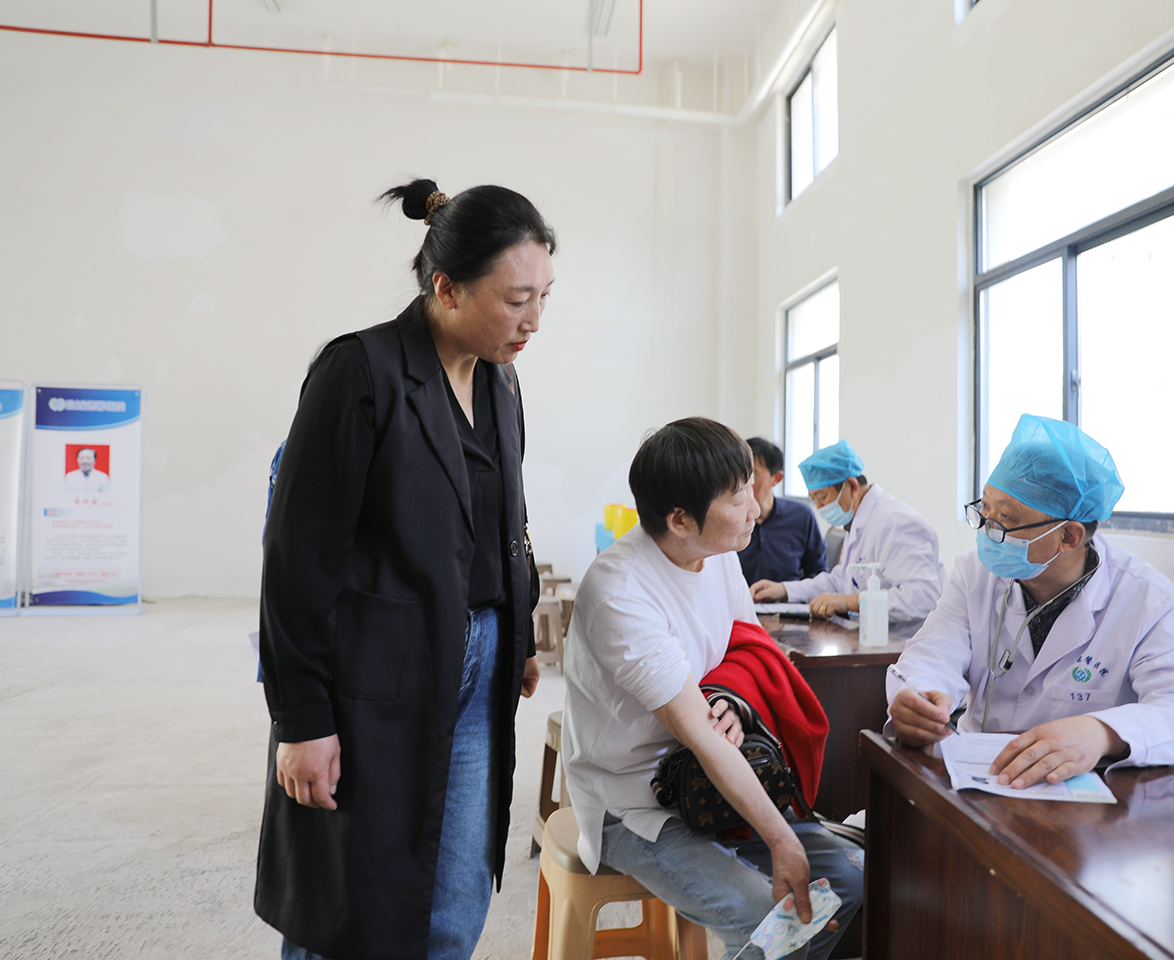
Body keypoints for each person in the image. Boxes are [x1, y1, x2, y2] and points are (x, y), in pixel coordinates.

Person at [256, 180, 555, 960]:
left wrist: (518, 633)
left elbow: (505, 519)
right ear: (445, 288)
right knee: (350, 901)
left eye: (543, 297)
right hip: (375, 668)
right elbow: (298, 559)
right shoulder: (360, 372)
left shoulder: (501, 379)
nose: (533, 320)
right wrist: (302, 720)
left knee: (454, 899)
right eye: (515, 299)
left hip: (478, 666)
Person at [562, 418, 863, 960]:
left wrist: (727, 696)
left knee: (849, 881)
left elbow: (745, 646)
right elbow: (699, 733)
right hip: (634, 800)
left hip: (711, 777)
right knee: (771, 920)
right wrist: (780, 839)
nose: (755, 508)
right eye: (737, 496)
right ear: (680, 519)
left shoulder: (719, 554)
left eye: (751, 487)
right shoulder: (619, 592)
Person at [888, 414, 1174, 789]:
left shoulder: (1151, 602)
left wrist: (1103, 732)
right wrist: (918, 697)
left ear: (1069, 536)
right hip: (975, 777)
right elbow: (932, 652)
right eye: (985, 509)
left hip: (1081, 798)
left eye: (1005, 519)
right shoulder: (974, 575)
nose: (987, 529)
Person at [751, 439, 944, 626]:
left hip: (906, 640)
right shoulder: (859, 520)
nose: (819, 507)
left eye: (822, 497)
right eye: (814, 499)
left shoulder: (894, 522)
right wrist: (784, 590)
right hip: (872, 634)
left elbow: (924, 596)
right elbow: (841, 581)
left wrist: (850, 602)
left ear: (851, 486)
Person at [736, 437, 827, 585]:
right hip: (738, 598)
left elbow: (818, 572)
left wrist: (787, 591)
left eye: (752, 475)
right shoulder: (730, 519)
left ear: (776, 478)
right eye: (739, 474)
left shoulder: (801, 516)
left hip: (789, 598)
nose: (743, 482)